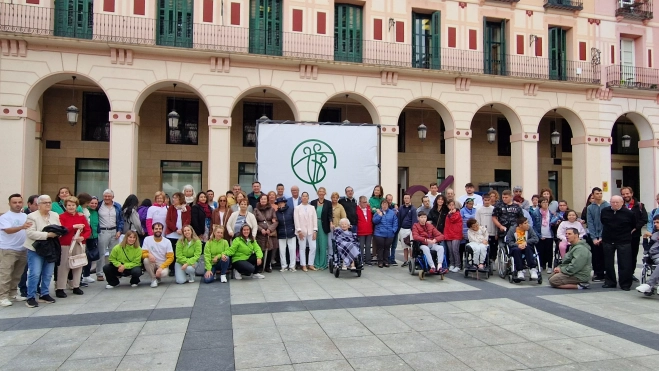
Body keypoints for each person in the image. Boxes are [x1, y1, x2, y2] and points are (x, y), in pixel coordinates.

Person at [23, 195, 60, 308]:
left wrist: (58, 232)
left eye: (49, 202)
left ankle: (44, 294)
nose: (48, 204)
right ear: (38, 205)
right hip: (36, 248)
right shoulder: (32, 216)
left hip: (51, 247)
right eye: (45, 203)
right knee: (35, 273)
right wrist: (48, 234)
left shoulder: (54, 215)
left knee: (48, 273)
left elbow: (59, 228)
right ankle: (31, 297)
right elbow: (30, 233)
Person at [57, 196, 91, 298]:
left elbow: (88, 230)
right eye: (69, 205)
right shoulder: (61, 217)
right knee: (63, 266)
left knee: (78, 265)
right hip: (65, 244)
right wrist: (73, 227)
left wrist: (83, 237)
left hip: (79, 244)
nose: (71, 207)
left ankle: (76, 286)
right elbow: (61, 230)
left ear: (76, 206)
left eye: (73, 205)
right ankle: (60, 288)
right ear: (65, 206)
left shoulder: (81, 217)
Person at [601, 195, 636, 291]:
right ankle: (610, 282)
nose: (615, 204)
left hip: (623, 240)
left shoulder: (629, 213)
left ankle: (625, 284)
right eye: (613, 202)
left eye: (617, 202)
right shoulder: (605, 211)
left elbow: (633, 224)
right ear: (610, 202)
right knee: (608, 263)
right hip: (608, 240)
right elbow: (603, 222)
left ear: (622, 203)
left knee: (625, 263)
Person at [0, 194, 30, 307]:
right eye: (14, 202)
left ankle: (12, 293)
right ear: (9, 204)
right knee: (5, 274)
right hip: (8, 249)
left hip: (22, 249)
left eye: (19, 202)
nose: (17, 204)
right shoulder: (5, 217)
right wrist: (22, 227)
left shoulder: (25, 216)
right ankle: (2, 296)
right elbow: (8, 230)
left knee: (17, 274)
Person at [96, 189, 123, 282]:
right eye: (105, 196)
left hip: (114, 231)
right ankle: (99, 273)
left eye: (109, 196)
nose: (107, 198)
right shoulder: (99, 205)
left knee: (114, 253)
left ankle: (114, 272)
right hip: (103, 231)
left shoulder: (117, 206)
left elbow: (121, 219)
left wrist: (119, 230)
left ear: (113, 197)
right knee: (101, 253)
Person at [621, 186, 647, 281]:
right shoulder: (620, 205)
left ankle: (631, 273)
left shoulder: (639, 205)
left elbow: (644, 219)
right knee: (623, 255)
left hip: (635, 235)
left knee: (633, 255)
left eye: (627, 193)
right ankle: (624, 274)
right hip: (622, 235)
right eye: (623, 194)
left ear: (631, 194)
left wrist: (636, 228)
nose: (625, 196)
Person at [166, 192, 191, 277]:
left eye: (176, 198)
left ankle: (184, 268)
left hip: (183, 233)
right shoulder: (171, 208)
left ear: (180, 199)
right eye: (173, 198)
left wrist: (183, 229)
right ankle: (172, 269)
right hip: (172, 234)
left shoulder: (186, 208)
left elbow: (188, 219)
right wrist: (176, 229)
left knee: (182, 252)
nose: (174, 199)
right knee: (172, 251)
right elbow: (168, 220)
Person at [586, 187, 609, 282]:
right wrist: (594, 237)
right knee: (596, 255)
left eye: (600, 193)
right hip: (594, 235)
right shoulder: (590, 207)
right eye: (597, 193)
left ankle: (607, 272)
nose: (599, 195)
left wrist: (602, 236)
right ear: (593, 195)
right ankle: (598, 273)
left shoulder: (607, 206)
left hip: (606, 235)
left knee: (606, 255)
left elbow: (608, 222)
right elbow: (590, 223)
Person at [141, 222, 174, 288]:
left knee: (163, 273)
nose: (158, 230)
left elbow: (171, 258)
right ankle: (153, 279)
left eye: (160, 229)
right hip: (152, 261)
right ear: (152, 230)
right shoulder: (147, 239)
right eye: (156, 229)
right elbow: (143, 253)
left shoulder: (167, 241)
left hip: (162, 263)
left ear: (162, 230)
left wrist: (161, 267)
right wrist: (149, 255)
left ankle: (158, 277)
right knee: (146, 260)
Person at [254, 194, 278, 273]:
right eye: (262, 199)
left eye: (265, 199)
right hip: (260, 233)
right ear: (259, 200)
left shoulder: (271, 209)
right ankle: (260, 266)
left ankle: (268, 265)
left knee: (269, 248)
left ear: (267, 200)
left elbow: (275, 221)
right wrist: (261, 230)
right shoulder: (256, 210)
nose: (263, 200)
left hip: (269, 233)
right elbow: (254, 222)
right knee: (260, 249)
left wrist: (270, 229)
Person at [294, 192, 317, 271]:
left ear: (308, 198)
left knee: (313, 247)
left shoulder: (312, 207)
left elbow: (314, 219)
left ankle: (311, 264)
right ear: (301, 198)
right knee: (302, 248)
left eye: (306, 196)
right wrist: (299, 231)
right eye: (303, 196)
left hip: (311, 230)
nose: (304, 198)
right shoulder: (297, 208)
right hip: (301, 231)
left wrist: (315, 230)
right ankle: (303, 264)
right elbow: (296, 220)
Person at [372, 199, 398, 268]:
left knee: (387, 248)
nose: (384, 205)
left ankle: (386, 261)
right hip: (379, 234)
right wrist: (380, 216)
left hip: (390, 234)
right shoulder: (378, 212)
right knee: (380, 248)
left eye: (386, 204)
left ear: (388, 205)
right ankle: (380, 261)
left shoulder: (392, 213)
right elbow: (374, 221)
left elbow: (395, 222)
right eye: (383, 204)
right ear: (381, 205)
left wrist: (393, 230)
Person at [78, 193, 98, 284]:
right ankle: (80, 277)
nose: (91, 204)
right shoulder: (79, 208)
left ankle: (86, 275)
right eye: (89, 202)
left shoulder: (88, 210)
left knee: (89, 256)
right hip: (82, 236)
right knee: (82, 256)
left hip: (90, 235)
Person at [636, 215, 659, 293]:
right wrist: (645, 239)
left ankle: (649, 284)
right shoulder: (655, 235)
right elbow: (648, 249)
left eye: (658, 222)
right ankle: (649, 285)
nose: (655, 224)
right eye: (655, 222)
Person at [311, 187, 332, 270]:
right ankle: (316, 264)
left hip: (324, 225)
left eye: (323, 192)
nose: (321, 193)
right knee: (315, 245)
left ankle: (323, 264)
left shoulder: (328, 203)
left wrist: (331, 222)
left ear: (325, 193)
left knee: (323, 245)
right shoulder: (313, 202)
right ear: (317, 193)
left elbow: (330, 214)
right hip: (314, 225)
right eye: (320, 191)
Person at [275, 197, 296, 272]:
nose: (280, 204)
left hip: (291, 232)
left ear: (285, 203)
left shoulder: (291, 210)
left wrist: (294, 230)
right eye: (279, 203)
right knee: (282, 251)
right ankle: (284, 266)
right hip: (281, 233)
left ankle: (292, 266)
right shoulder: (277, 213)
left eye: (282, 202)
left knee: (292, 250)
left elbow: (295, 221)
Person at [535, 197, 554, 275]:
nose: (545, 204)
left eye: (546, 202)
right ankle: (541, 265)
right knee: (540, 251)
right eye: (543, 202)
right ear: (540, 204)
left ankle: (549, 266)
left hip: (549, 234)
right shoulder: (536, 213)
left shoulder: (551, 213)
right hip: (540, 234)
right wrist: (539, 235)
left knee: (549, 251)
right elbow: (534, 225)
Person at [397, 194, 417, 268]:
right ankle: (405, 260)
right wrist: (398, 230)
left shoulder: (413, 209)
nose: (406, 199)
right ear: (403, 199)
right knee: (404, 246)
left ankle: (411, 261)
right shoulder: (401, 208)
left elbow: (414, 220)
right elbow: (399, 219)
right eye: (405, 198)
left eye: (408, 198)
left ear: (410, 199)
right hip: (402, 229)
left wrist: (413, 230)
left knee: (410, 246)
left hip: (410, 230)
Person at [476, 194, 496, 263]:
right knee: (484, 248)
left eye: (488, 200)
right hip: (483, 233)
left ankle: (492, 261)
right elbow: (477, 222)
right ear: (483, 200)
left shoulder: (493, 209)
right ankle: (484, 262)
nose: (487, 202)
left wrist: (496, 233)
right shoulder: (479, 210)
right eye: (485, 200)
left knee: (493, 248)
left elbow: (496, 221)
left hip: (492, 232)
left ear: (490, 200)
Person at [444, 200, 463, 272]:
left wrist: (450, 214)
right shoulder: (447, 213)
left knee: (455, 250)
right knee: (450, 250)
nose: (451, 207)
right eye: (450, 205)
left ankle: (458, 265)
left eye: (453, 205)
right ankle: (452, 264)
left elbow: (453, 219)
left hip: (456, 234)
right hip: (448, 234)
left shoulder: (457, 213)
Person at [356, 196, 373, 266]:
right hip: (361, 231)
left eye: (366, 202)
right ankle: (361, 260)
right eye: (364, 202)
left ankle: (368, 260)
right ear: (360, 202)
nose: (365, 203)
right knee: (361, 246)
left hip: (369, 230)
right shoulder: (356, 209)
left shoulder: (369, 208)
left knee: (368, 246)